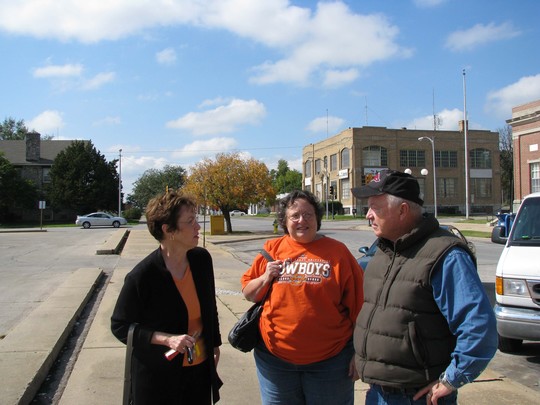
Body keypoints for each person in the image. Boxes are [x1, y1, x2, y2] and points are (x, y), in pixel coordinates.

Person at [351, 170, 497, 405]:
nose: (368, 215)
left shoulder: (446, 255)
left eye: (375, 208)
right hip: (378, 392)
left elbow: (478, 327)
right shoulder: (384, 251)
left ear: (402, 210)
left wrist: (451, 379)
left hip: (416, 396)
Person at [241, 190, 364, 405]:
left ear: (317, 218)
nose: (302, 220)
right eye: (295, 216)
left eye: (308, 214)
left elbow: (360, 306)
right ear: (284, 221)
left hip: (331, 363)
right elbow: (249, 293)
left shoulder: (338, 253)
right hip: (275, 363)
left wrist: (360, 352)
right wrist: (266, 277)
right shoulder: (272, 249)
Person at [111, 191, 222, 404]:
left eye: (196, 220)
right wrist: (167, 339)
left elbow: (210, 307)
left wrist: (214, 345)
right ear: (168, 229)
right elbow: (119, 326)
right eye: (190, 221)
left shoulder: (201, 260)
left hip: (199, 371)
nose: (198, 227)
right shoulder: (142, 276)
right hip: (157, 378)